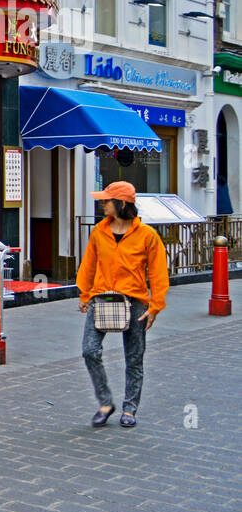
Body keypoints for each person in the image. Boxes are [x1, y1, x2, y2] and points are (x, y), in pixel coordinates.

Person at [76, 181, 168, 429]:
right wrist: (85, 295)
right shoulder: (98, 231)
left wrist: (156, 305)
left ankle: (130, 408)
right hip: (102, 298)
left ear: (122, 203)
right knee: (89, 350)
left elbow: (158, 272)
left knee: (134, 358)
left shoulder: (147, 235)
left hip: (135, 301)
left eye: (106, 200)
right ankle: (106, 403)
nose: (102, 203)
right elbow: (89, 265)